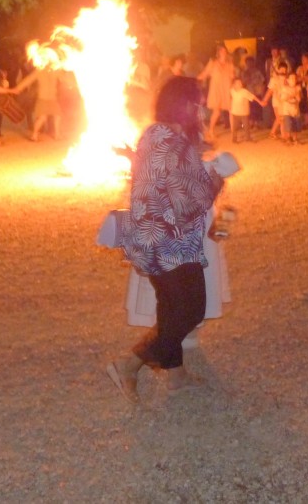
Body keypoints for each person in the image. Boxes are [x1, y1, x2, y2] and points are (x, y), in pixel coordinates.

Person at [106, 76, 223, 402]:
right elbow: (190, 202)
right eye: (195, 101)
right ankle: (129, 364)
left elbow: (161, 178)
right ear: (183, 104)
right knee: (191, 311)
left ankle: (176, 376)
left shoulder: (152, 135)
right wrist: (217, 179)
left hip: (149, 237)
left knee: (171, 309)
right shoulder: (176, 143)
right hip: (174, 243)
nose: (199, 108)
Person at [196, 44, 236, 141]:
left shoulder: (229, 64)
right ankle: (211, 130)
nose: (223, 52)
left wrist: (234, 80)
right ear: (218, 52)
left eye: (224, 50)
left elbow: (233, 76)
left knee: (232, 110)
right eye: (221, 51)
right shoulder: (213, 63)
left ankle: (233, 133)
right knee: (217, 111)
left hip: (227, 89)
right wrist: (196, 79)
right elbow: (205, 73)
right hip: (216, 89)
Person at [228, 77, 257, 143]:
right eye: (237, 83)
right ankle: (234, 139)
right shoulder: (232, 91)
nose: (239, 84)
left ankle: (248, 138)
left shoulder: (244, 91)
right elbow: (228, 97)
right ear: (234, 84)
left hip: (244, 113)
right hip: (235, 112)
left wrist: (261, 102)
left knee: (246, 126)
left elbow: (253, 97)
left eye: (240, 83)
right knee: (235, 127)